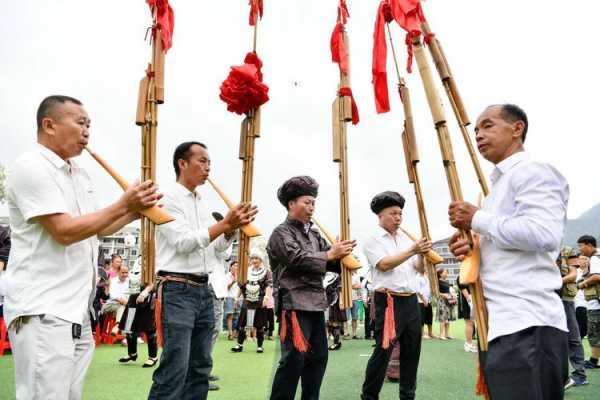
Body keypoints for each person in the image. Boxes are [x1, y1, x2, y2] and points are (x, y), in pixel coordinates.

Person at [4, 95, 160, 400]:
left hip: (77, 309)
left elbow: (98, 228)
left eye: (89, 124)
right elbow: (63, 231)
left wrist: (136, 209)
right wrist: (123, 204)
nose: (87, 131)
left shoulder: (79, 173)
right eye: (80, 122)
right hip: (43, 308)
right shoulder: (30, 167)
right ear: (49, 125)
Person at [448, 104, 569, 400]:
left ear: (517, 129)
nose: (478, 134)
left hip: (529, 322)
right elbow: (503, 244)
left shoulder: (533, 171)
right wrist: (472, 247)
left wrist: (476, 219)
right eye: (475, 129)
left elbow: (544, 233)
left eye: (488, 126)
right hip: (501, 323)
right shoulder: (494, 193)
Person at [147, 141, 257, 400]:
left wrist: (231, 229)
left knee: (200, 368)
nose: (208, 168)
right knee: (175, 367)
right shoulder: (166, 197)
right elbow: (183, 242)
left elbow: (216, 250)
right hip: (176, 288)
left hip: (203, 289)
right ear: (182, 163)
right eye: (202, 161)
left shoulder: (202, 201)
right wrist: (225, 223)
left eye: (209, 163)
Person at [267, 176, 355, 400]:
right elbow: (296, 258)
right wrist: (330, 254)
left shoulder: (315, 234)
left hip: (316, 303)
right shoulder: (281, 233)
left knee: (318, 358)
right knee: (294, 359)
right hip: (293, 303)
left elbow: (331, 262)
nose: (311, 207)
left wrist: (343, 254)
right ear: (291, 204)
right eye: (306, 202)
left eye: (313, 203)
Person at [361, 191, 431, 400]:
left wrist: (422, 254)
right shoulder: (372, 239)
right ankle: (369, 395)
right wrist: (413, 249)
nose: (398, 218)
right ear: (380, 216)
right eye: (393, 213)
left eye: (400, 213)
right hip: (388, 301)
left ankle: (408, 395)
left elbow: (418, 269)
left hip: (411, 300)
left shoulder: (405, 239)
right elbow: (384, 264)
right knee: (383, 352)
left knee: (412, 352)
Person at [556, 247, 588, 389]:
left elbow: (573, 275)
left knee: (573, 337)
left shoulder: (567, 251)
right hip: (545, 298)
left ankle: (580, 374)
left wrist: (554, 282)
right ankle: (558, 377)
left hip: (564, 298)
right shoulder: (537, 249)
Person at [118, 258, 158, 368]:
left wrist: (145, 293)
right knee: (129, 328)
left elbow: (154, 281)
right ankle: (132, 354)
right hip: (133, 297)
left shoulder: (153, 259)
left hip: (146, 299)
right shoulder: (137, 260)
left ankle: (153, 357)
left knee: (149, 329)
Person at [207, 211, 231, 391]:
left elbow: (225, 252)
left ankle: (203, 370)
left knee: (213, 331)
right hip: (210, 288)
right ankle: (200, 374)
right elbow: (223, 251)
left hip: (217, 288)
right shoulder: (210, 236)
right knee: (208, 332)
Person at [231, 253, 273, 353]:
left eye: (257, 258)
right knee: (242, 324)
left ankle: (260, 346)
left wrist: (266, 297)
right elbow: (242, 286)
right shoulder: (247, 271)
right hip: (247, 300)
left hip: (260, 300)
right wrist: (237, 298)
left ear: (261, 260)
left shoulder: (266, 272)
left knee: (259, 324)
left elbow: (269, 285)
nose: (254, 260)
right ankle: (239, 345)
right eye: (253, 258)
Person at [576, 235, 600, 369]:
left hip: (596, 302)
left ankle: (593, 361)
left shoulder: (595, 258)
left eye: (581, 245)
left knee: (594, 332)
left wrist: (583, 284)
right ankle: (594, 359)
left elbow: (597, 276)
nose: (580, 249)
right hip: (595, 301)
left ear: (589, 245)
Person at [324, 271, 346, 350]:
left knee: (334, 322)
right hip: (327, 300)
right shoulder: (326, 273)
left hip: (334, 300)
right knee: (329, 322)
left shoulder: (336, 275)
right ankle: (336, 342)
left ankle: (336, 343)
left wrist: (341, 301)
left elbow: (340, 288)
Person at [456, 277, 476, 351]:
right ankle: (468, 344)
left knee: (471, 322)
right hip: (468, 301)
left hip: (473, 299)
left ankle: (469, 344)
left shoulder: (470, 273)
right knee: (469, 322)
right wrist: (470, 301)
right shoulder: (462, 275)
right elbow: (463, 289)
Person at [436, 268, 455, 340]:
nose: (447, 274)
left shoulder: (447, 281)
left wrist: (452, 295)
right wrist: (444, 295)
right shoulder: (437, 281)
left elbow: (449, 290)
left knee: (448, 318)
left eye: (447, 272)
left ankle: (447, 334)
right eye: (445, 272)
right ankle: (441, 335)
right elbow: (436, 292)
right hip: (442, 300)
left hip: (449, 300)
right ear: (440, 274)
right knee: (443, 318)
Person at [416, 269, 434, 339]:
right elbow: (418, 290)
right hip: (420, 301)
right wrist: (424, 300)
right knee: (422, 317)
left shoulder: (426, 277)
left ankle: (430, 333)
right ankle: (422, 334)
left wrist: (428, 299)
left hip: (428, 300)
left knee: (430, 316)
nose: (426, 269)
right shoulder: (417, 277)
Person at [224, 261, 239, 340]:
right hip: (229, 297)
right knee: (230, 315)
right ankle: (230, 333)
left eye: (237, 266)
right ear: (230, 267)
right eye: (234, 266)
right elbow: (225, 288)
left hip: (238, 298)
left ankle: (235, 332)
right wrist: (233, 281)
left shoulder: (240, 275)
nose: (236, 267)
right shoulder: (227, 276)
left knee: (237, 316)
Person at [575, 255, 588, 340]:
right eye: (580, 259)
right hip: (578, 302)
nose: (582, 261)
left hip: (591, 302)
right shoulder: (575, 272)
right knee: (581, 324)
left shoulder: (594, 272)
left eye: (584, 259)